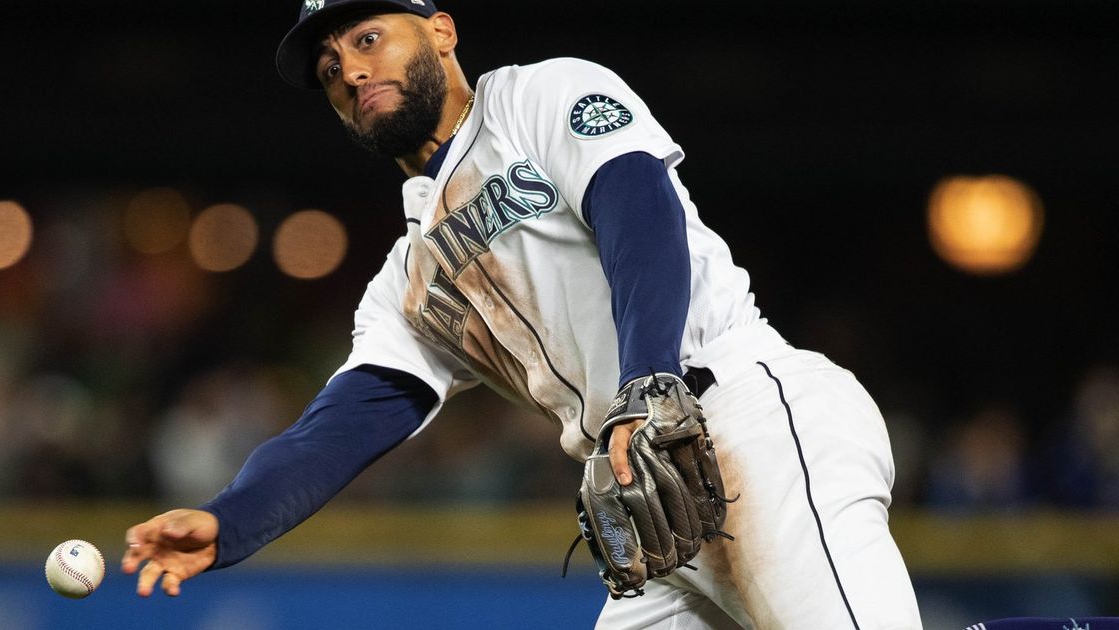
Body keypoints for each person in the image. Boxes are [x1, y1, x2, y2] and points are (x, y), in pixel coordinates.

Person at [122, 1, 923, 627]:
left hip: (749, 420)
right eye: (331, 68)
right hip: (649, 501)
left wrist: (648, 385)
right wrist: (232, 522)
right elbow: (347, 420)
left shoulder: (540, 97)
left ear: (441, 32)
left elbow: (636, 211)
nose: (350, 72)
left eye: (369, 40)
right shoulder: (411, 271)